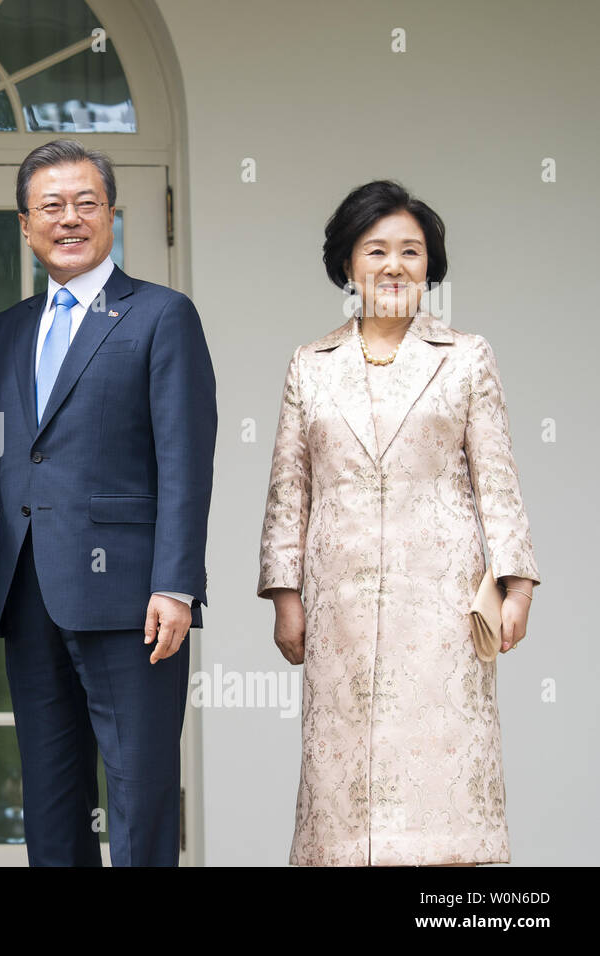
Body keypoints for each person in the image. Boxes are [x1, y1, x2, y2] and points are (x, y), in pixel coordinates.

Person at [0, 140, 217, 866]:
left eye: (85, 203)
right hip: (30, 594)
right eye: (51, 206)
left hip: (133, 597)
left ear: (111, 213)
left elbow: (185, 459)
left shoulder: (162, 315)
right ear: (24, 224)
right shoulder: (12, 329)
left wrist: (176, 583)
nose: (69, 219)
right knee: (50, 801)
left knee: (139, 799)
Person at [257, 180, 540, 866]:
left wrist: (516, 581)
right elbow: (289, 489)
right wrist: (285, 595)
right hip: (340, 606)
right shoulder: (310, 365)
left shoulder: (466, 356)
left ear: (430, 265)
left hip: (443, 601)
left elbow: (497, 478)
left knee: (444, 781)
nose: (393, 265)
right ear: (348, 266)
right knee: (342, 786)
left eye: (410, 252)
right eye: (375, 250)